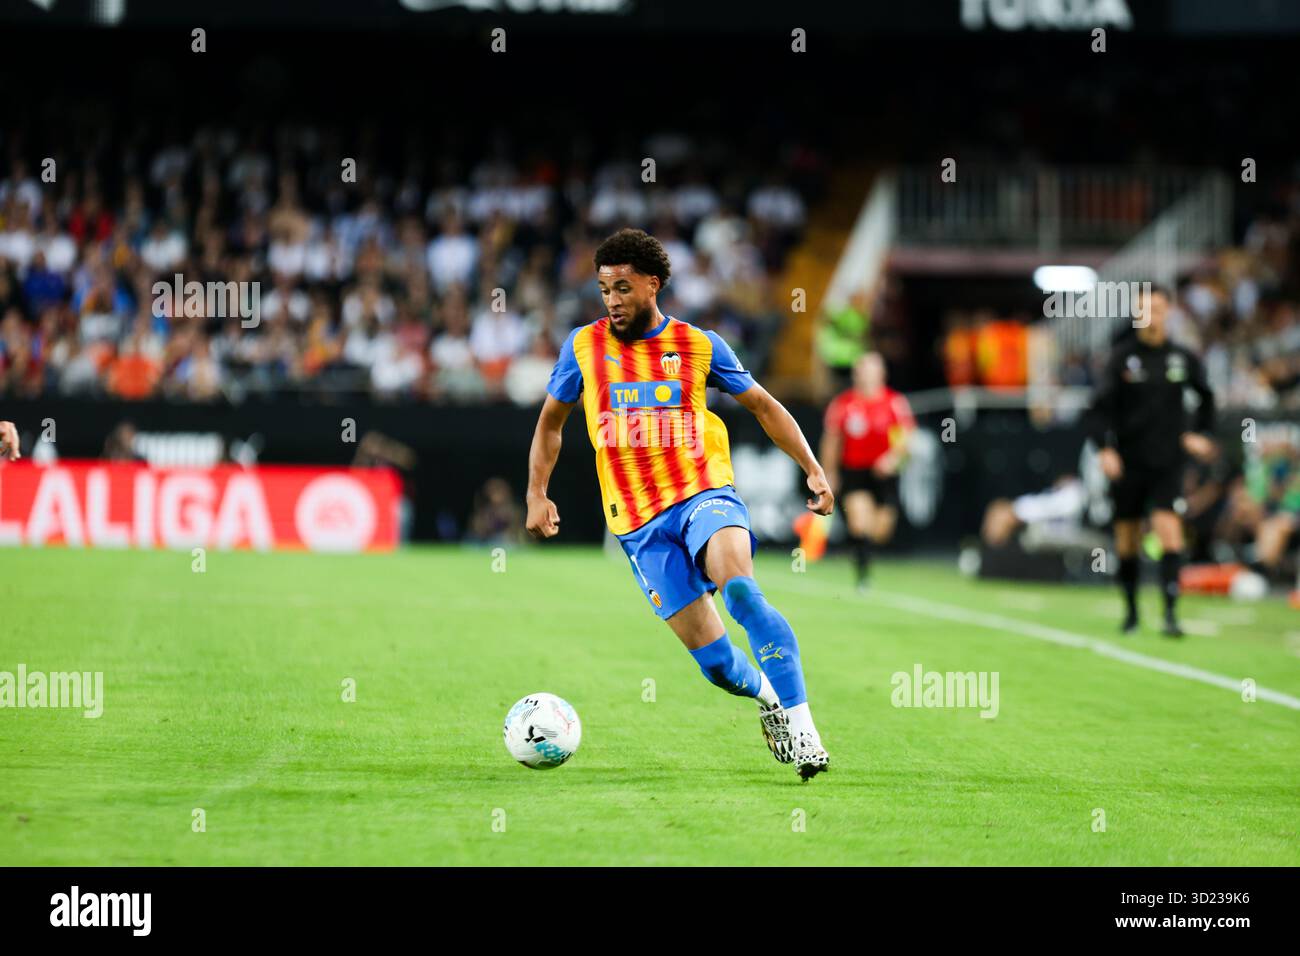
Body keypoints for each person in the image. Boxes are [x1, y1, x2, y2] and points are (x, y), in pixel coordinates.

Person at [525, 228, 834, 780]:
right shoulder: (582, 347)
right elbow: (551, 422)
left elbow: (763, 406)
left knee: (739, 587)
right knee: (716, 666)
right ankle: (770, 702)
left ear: (653, 283)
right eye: (604, 290)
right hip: (639, 525)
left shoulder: (699, 345)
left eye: (622, 287)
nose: (613, 300)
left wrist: (812, 467)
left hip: (703, 493)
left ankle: (804, 725)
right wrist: (536, 492)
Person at [1087, 285, 1216, 637]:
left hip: (1167, 461)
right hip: (1128, 461)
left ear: (1167, 312)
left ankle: (1170, 615)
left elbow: (1207, 398)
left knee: (1169, 532)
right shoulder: (1121, 358)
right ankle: (1130, 613)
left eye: (1157, 309)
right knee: (1126, 538)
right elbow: (1097, 411)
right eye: (1144, 309)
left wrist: (1199, 434)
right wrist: (1105, 449)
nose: (1151, 316)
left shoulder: (1183, 358)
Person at [820, 352, 915, 589]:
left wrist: (893, 458)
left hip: (884, 475)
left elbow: (906, 439)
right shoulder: (844, 404)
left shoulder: (894, 402)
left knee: (881, 531)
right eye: (862, 370)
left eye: (871, 370)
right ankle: (863, 578)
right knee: (859, 522)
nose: (865, 375)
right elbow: (832, 441)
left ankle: (860, 551)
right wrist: (828, 472)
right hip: (855, 471)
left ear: (882, 374)